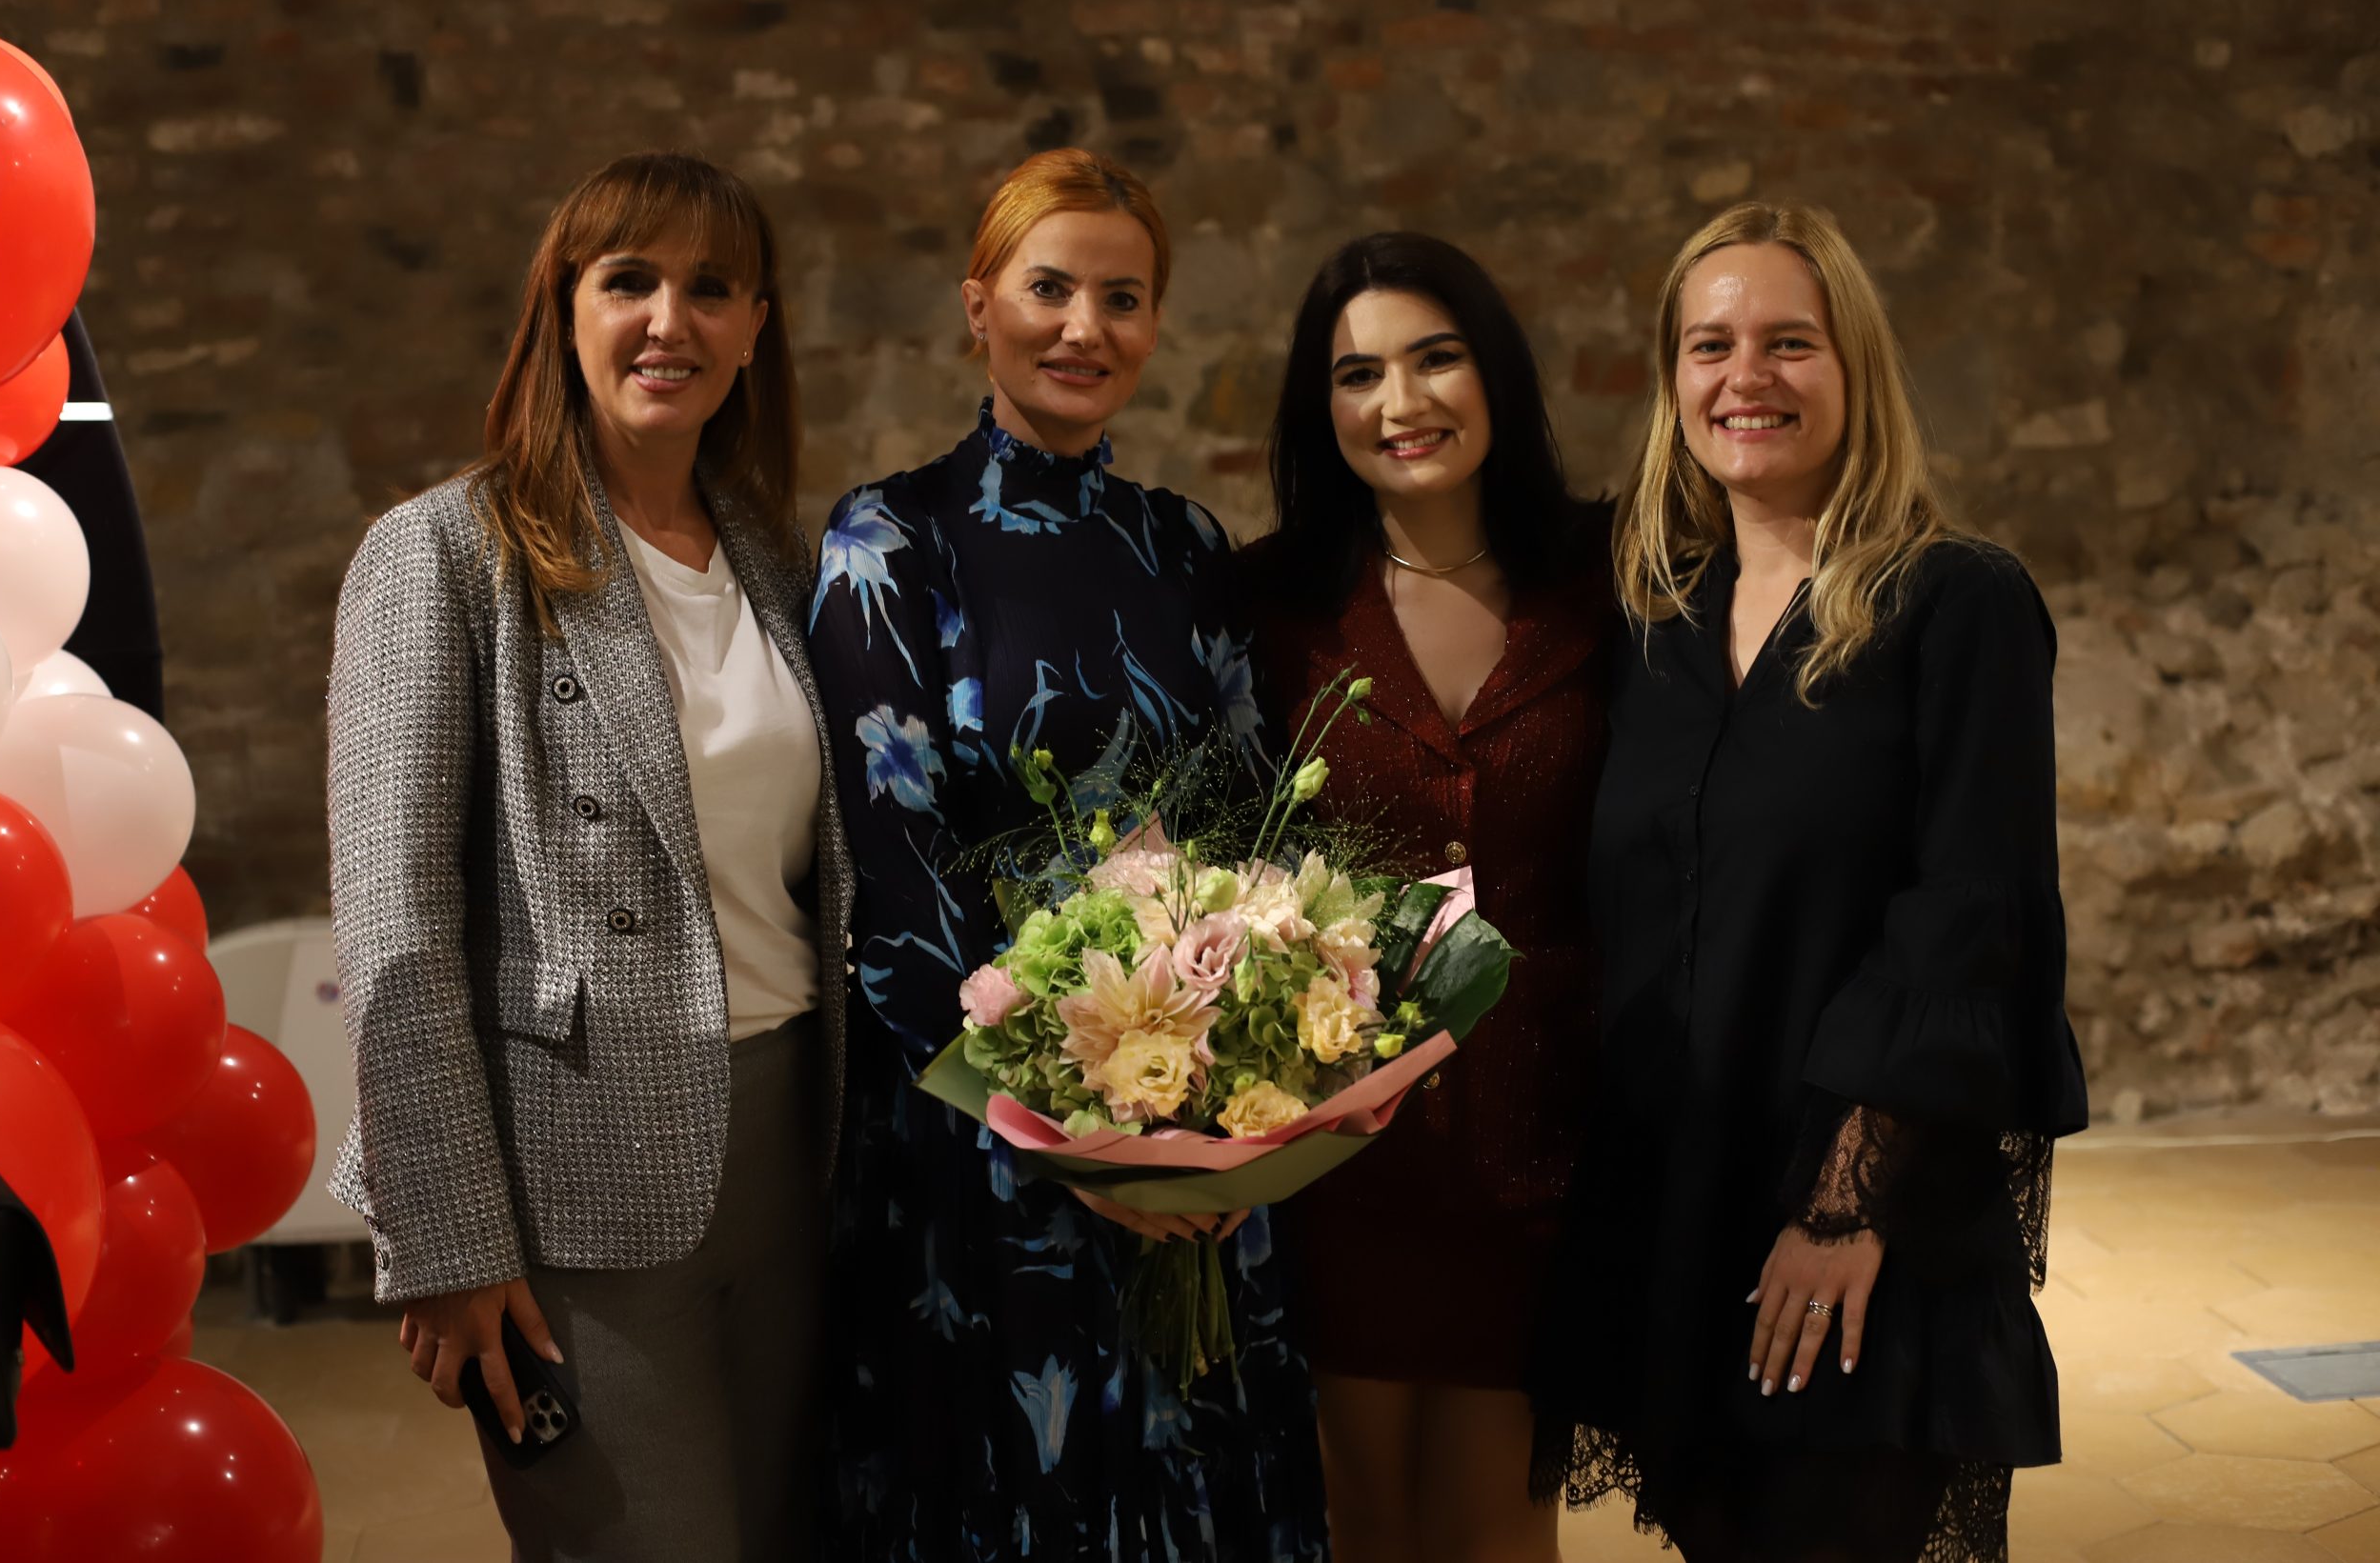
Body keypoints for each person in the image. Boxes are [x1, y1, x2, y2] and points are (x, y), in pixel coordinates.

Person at [1526, 202, 2088, 1563]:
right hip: (1677, 1213)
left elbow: (1967, 921)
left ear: (1855, 369)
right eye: (1710, 346)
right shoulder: (1648, 622)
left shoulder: (1955, 603)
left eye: (1791, 342)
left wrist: (1844, 1207)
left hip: (1857, 1222)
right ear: (1672, 381)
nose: (1747, 376)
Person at [807, 147, 1328, 1561]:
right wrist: (1074, 1139)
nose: (1084, 327)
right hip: (987, 1142)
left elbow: (1252, 831)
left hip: (1195, 1131)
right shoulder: (887, 542)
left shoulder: (1186, 543)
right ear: (978, 305)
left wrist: (1235, 1102)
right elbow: (899, 880)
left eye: (1123, 297)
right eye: (1050, 289)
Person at [325, 150, 848, 1561]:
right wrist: (447, 1238)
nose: (670, 321)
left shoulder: (776, 559)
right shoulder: (443, 554)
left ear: (756, 327)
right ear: (564, 309)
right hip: (577, 1180)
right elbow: (394, 927)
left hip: (796, 1151)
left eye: (712, 289)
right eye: (630, 282)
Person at [1240, 231, 1609, 1563]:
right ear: (1321, 406)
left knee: (1500, 1532)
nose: (1400, 403)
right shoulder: (1267, 608)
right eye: (1359, 375)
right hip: (1337, 1158)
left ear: (1495, 372)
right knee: (1361, 1531)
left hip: (1548, 1147)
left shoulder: (1611, 585)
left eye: (1435, 359)